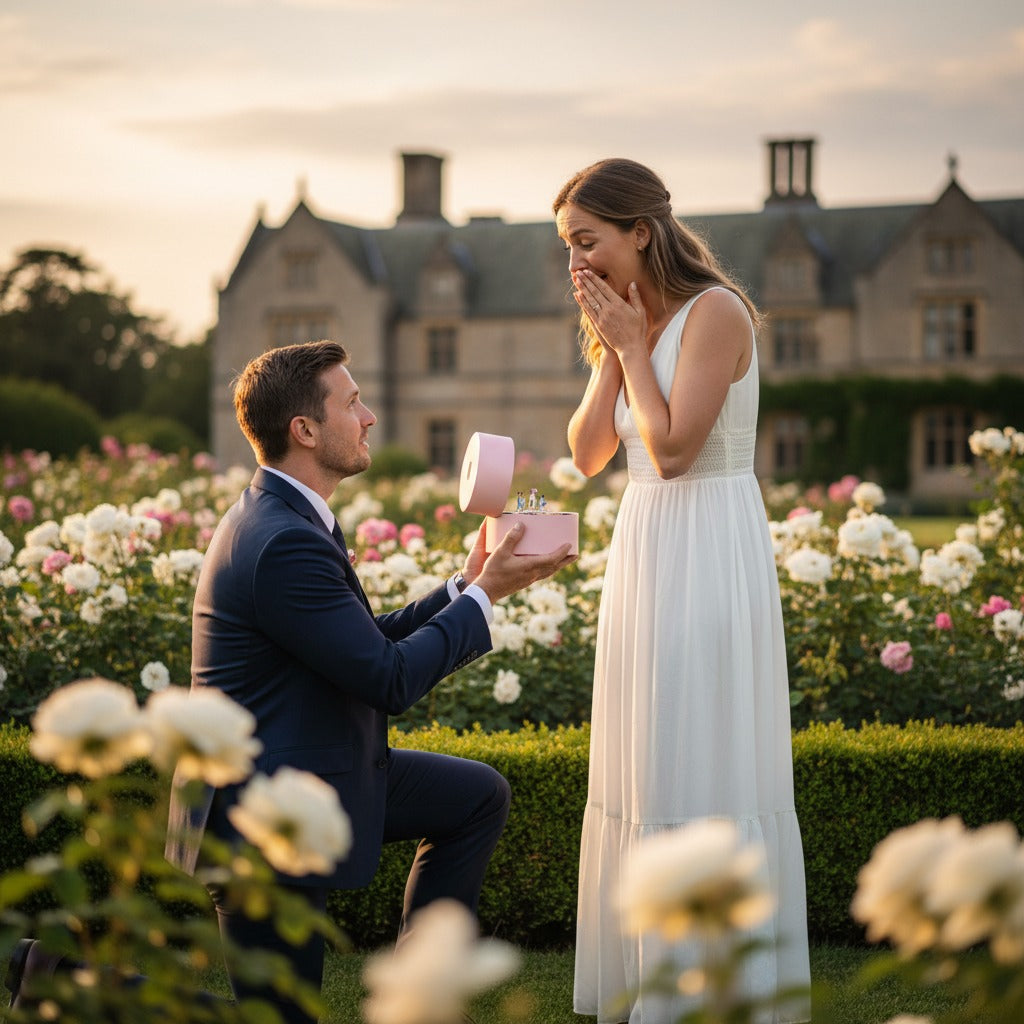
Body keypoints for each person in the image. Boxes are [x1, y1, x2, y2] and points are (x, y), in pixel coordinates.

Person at [164, 339, 576, 1023]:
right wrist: (486, 597)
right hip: (259, 814)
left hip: (304, 769)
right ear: (305, 430)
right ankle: (64, 979)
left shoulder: (286, 516)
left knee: (475, 796)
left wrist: (468, 585)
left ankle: (423, 985)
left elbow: (359, 643)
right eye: (352, 402)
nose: (371, 416)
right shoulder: (283, 538)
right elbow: (387, 678)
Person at [556, 160, 810, 1023]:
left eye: (587, 241)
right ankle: (646, 977)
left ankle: (720, 981)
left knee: (697, 743)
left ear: (640, 231)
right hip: (647, 548)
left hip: (708, 544)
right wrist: (610, 343)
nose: (576, 262)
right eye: (568, 247)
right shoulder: (630, 321)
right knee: (645, 755)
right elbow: (592, 454)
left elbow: (672, 453)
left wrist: (632, 346)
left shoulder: (717, 313)